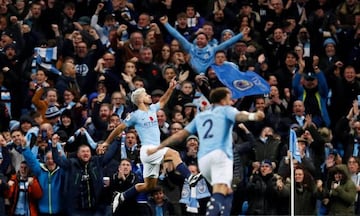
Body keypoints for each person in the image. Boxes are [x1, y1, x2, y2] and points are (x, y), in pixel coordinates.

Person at [148, 87, 265, 215]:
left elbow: (180, 135)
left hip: (203, 160)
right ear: (223, 99)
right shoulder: (226, 110)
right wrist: (255, 115)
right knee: (222, 192)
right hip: (220, 156)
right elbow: (240, 116)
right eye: (228, 97)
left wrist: (159, 147)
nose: (230, 100)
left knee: (225, 192)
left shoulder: (201, 116)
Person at [102, 78, 200, 212]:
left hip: (152, 153)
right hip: (148, 150)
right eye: (146, 95)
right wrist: (107, 142)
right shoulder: (135, 115)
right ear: (140, 100)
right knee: (174, 153)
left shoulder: (153, 109)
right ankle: (190, 178)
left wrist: (170, 88)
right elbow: (119, 128)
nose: (149, 96)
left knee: (148, 186)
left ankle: (122, 196)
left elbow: (163, 101)